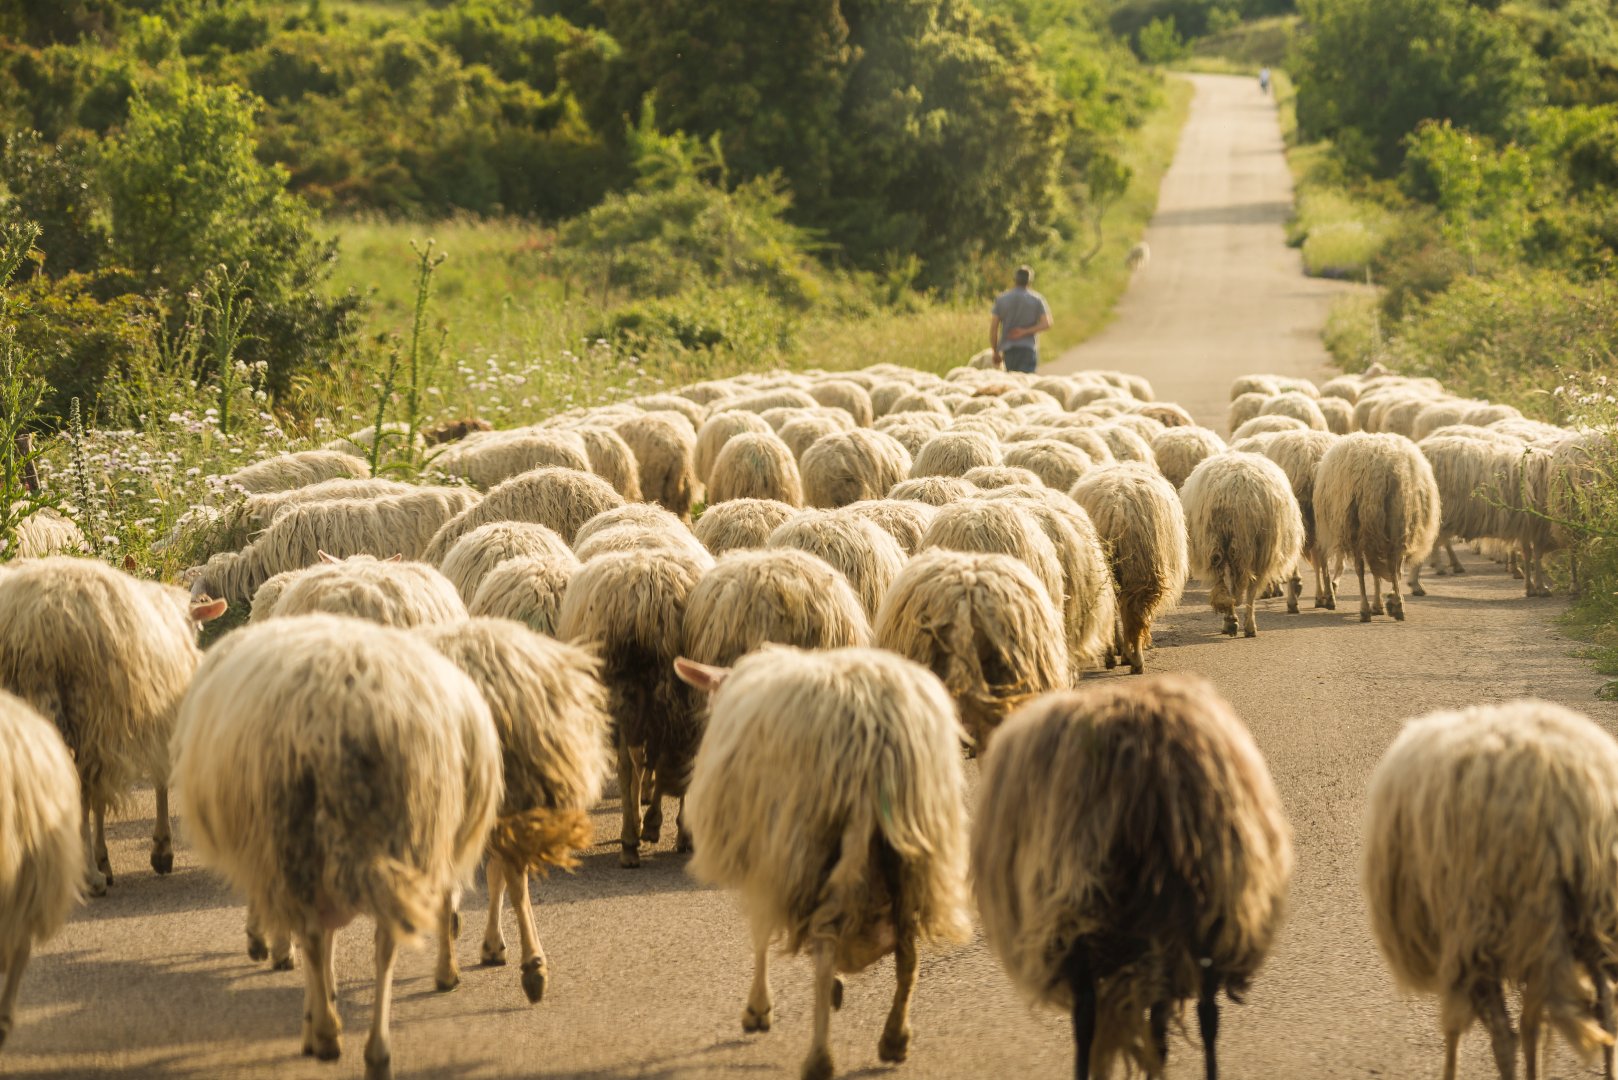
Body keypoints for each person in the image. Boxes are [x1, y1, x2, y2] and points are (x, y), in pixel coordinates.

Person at [989, 265, 1052, 374]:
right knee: (1026, 384)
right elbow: (1047, 323)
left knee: (1013, 385)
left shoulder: (1001, 299)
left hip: (1009, 349)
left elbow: (994, 328)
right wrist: (1025, 331)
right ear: (1030, 281)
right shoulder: (1037, 299)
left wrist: (995, 351)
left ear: (1015, 280)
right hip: (1028, 348)